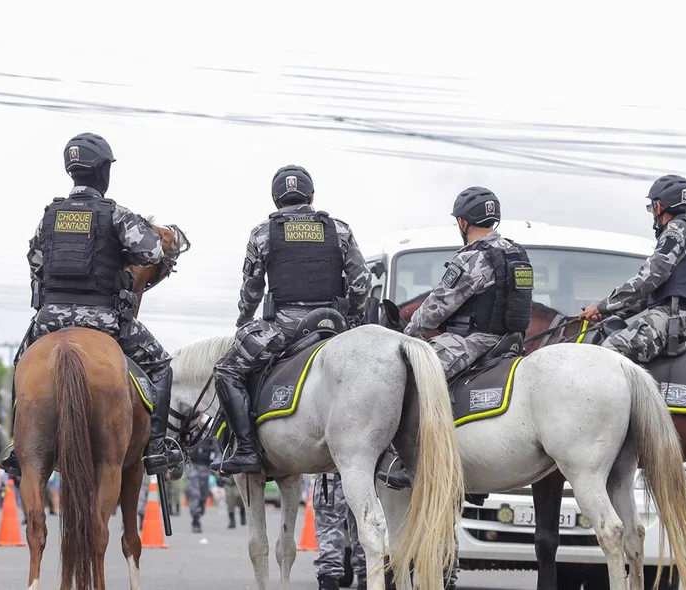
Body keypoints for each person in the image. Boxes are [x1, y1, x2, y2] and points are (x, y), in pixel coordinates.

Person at [1, 133, 180, 478]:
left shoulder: (49, 216)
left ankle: (17, 446)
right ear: (102, 172)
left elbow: (36, 261)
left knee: (21, 363)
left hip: (48, 321)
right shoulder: (116, 215)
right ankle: (157, 447)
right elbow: (153, 253)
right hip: (105, 320)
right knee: (160, 367)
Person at [212, 166, 372, 475]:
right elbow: (362, 282)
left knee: (226, 369)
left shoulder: (263, 233)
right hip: (334, 325)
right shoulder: (339, 229)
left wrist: (244, 320)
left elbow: (252, 288)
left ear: (275, 201)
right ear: (311, 196)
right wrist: (353, 318)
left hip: (284, 328)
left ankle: (246, 449)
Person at [378, 187, 533, 489]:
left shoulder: (474, 257)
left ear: (463, 223)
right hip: (511, 343)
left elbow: (437, 306)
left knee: (411, 376)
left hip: (471, 341)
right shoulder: (517, 253)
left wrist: (408, 333)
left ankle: (416, 462)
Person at [580, 175, 686, 363]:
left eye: (652, 206)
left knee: (606, 355)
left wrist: (602, 306)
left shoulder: (676, 229)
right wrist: (609, 312)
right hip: (677, 317)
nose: (652, 212)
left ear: (660, 206)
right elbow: (651, 295)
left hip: (671, 318)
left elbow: (648, 278)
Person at [314, 474, 367, 590]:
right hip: (363, 474)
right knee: (364, 521)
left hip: (331, 471)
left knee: (329, 520)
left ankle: (329, 578)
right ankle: (366, 574)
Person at [185, 436, 217, 533]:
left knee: (203, 493)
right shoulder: (189, 430)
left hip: (205, 465)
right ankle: (195, 518)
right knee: (194, 492)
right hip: (192, 464)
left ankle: (200, 510)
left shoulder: (208, 432)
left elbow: (216, 447)